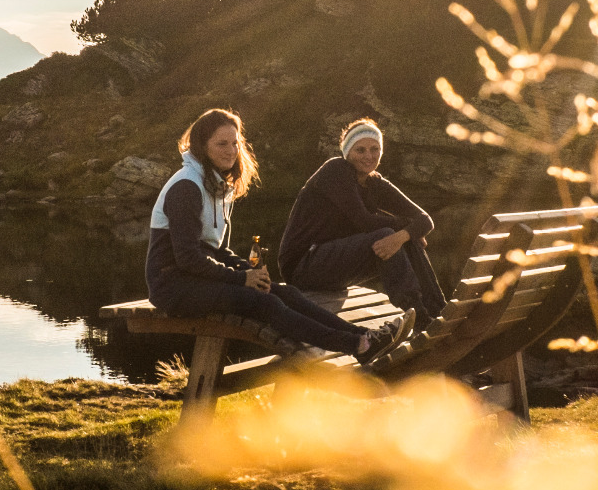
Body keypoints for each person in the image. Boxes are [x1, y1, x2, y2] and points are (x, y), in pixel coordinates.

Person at [147, 109, 412, 365]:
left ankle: (364, 338)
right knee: (264, 302)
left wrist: (253, 271)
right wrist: (242, 278)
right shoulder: (187, 188)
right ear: (202, 147)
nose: (231, 151)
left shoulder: (215, 184)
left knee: (285, 292)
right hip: (174, 286)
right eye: (221, 144)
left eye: (235, 143)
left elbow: (216, 251)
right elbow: (188, 258)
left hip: (196, 278)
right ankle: (357, 346)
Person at [280, 119, 448, 325]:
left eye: (374, 149)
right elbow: (365, 222)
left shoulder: (374, 182)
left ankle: (439, 310)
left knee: (403, 238)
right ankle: (418, 315)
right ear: (347, 152)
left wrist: (405, 235)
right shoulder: (336, 171)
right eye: (360, 150)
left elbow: (425, 220)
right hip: (303, 266)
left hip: (334, 265)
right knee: (388, 235)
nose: (368, 156)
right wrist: (406, 230)